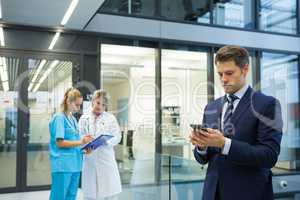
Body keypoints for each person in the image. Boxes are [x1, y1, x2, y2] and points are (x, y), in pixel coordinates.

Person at [189, 45, 283, 200]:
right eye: (220, 74)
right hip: (212, 193)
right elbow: (203, 158)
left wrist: (224, 144)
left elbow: (269, 156)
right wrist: (201, 145)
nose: (223, 79)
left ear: (244, 70)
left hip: (249, 194)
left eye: (229, 73)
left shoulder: (267, 105)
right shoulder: (211, 107)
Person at [48, 88, 92, 200]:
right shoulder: (59, 118)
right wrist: (81, 142)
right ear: (68, 101)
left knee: (71, 196)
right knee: (59, 196)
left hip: (75, 164)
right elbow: (60, 143)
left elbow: (74, 142)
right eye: (77, 105)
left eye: (80, 105)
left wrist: (84, 148)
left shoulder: (72, 119)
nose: (78, 108)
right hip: (62, 165)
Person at [79, 89, 122, 200]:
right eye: (98, 103)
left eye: (103, 105)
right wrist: (84, 144)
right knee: (91, 195)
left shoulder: (110, 118)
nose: (100, 106)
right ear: (93, 101)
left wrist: (105, 141)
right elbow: (79, 136)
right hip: (90, 160)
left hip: (105, 160)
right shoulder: (84, 118)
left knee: (109, 194)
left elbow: (117, 137)